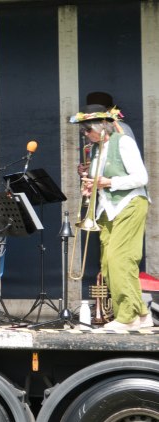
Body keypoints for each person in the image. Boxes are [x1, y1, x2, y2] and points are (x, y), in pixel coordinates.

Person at [71, 105, 152, 329]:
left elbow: (141, 177)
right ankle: (141, 314)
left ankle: (127, 317)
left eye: (87, 130)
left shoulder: (123, 142)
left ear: (101, 126)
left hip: (129, 203)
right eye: (83, 130)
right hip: (106, 209)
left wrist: (109, 182)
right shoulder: (95, 149)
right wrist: (91, 185)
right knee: (108, 263)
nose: (85, 134)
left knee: (120, 259)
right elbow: (100, 180)